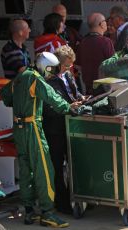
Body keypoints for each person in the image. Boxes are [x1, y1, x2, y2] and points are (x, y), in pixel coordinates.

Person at [0, 52, 80, 228]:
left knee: (25, 169)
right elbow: (52, 97)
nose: (52, 73)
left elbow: (6, 96)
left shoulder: (20, 77)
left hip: (18, 129)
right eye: (51, 69)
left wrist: (22, 102)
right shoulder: (36, 79)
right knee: (44, 170)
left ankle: (29, 211)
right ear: (46, 66)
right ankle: (47, 213)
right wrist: (69, 108)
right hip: (33, 128)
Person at [43, 45, 85, 215]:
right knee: (58, 167)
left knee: (74, 164)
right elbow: (48, 108)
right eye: (67, 65)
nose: (69, 68)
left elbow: (74, 94)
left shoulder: (68, 75)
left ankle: (78, 197)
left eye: (71, 65)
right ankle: (62, 202)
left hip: (71, 126)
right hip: (55, 130)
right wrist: (68, 107)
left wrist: (81, 98)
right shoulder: (47, 81)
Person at [76, 13, 114, 94]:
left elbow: (77, 65)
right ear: (101, 24)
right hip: (105, 88)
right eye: (105, 21)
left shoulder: (83, 42)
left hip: (88, 88)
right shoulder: (106, 42)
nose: (106, 23)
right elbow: (113, 64)